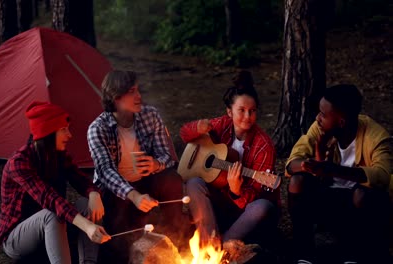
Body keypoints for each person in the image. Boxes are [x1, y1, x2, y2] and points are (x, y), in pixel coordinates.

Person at [87, 70, 187, 263]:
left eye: (138, 89)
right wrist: (134, 196)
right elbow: (105, 172)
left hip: (145, 181)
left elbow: (166, 156)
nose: (139, 96)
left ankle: (177, 237)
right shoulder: (98, 129)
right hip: (116, 191)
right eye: (132, 91)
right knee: (120, 242)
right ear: (116, 97)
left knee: (171, 179)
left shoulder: (150, 115)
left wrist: (155, 164)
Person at [286, 84, 392, 264]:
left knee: (362, 194)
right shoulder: (320, 127)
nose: (318, 118)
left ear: (341, 122)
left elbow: (382, 176)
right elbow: (291, 164)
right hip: (329, 200)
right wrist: (306, 165)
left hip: (358, 209)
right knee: (297, 182)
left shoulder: (376, 137)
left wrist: (333, 170)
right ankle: (303, 254)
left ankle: (357, 256)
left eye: (323, 115)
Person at [0, 101, 111, 264]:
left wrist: (93, 193)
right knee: (52, 214)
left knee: (86, 204)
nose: (69, 135)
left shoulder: (58, 155)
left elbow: (79, 178)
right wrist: (86, 226)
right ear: (48, 134)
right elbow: (49, 199)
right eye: (63, 130)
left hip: (55, 228)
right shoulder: (19, 163)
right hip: (17, 238)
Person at [180, 71, 279, 253]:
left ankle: (219, 247)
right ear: (229, 112)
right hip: (219, 203)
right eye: (241, 110)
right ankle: (210, 239)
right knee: (194, 182)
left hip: (246, 213)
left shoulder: (264, 145)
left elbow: (258, 197)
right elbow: (184, 133)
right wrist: (198, 128)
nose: (247, 116)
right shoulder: (222, 125)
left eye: (252, 111)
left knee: (262, 207)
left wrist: (236, 191)